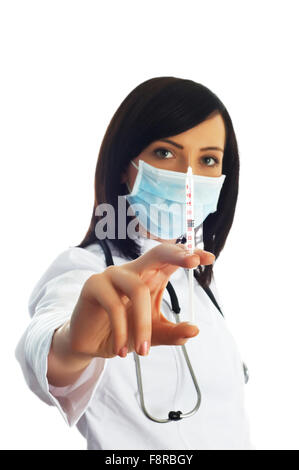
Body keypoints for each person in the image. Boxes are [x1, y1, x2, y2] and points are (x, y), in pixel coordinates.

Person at [15, 76, 254, 450]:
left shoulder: (200, 280)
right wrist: (73, 344)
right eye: (164, 153)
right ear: (125, 167)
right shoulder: (87, 271)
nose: (187, 176)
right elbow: (45, 350)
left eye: (208, 159)